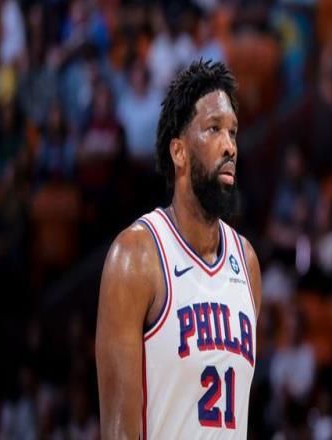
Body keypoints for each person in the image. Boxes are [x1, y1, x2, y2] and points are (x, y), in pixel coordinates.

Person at [95, 59, 262, 439]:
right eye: (214, 128)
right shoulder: (136, 257)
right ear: (179, 152)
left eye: (233, 132)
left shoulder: (247, 262)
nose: (229, 146)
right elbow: (118, 433)